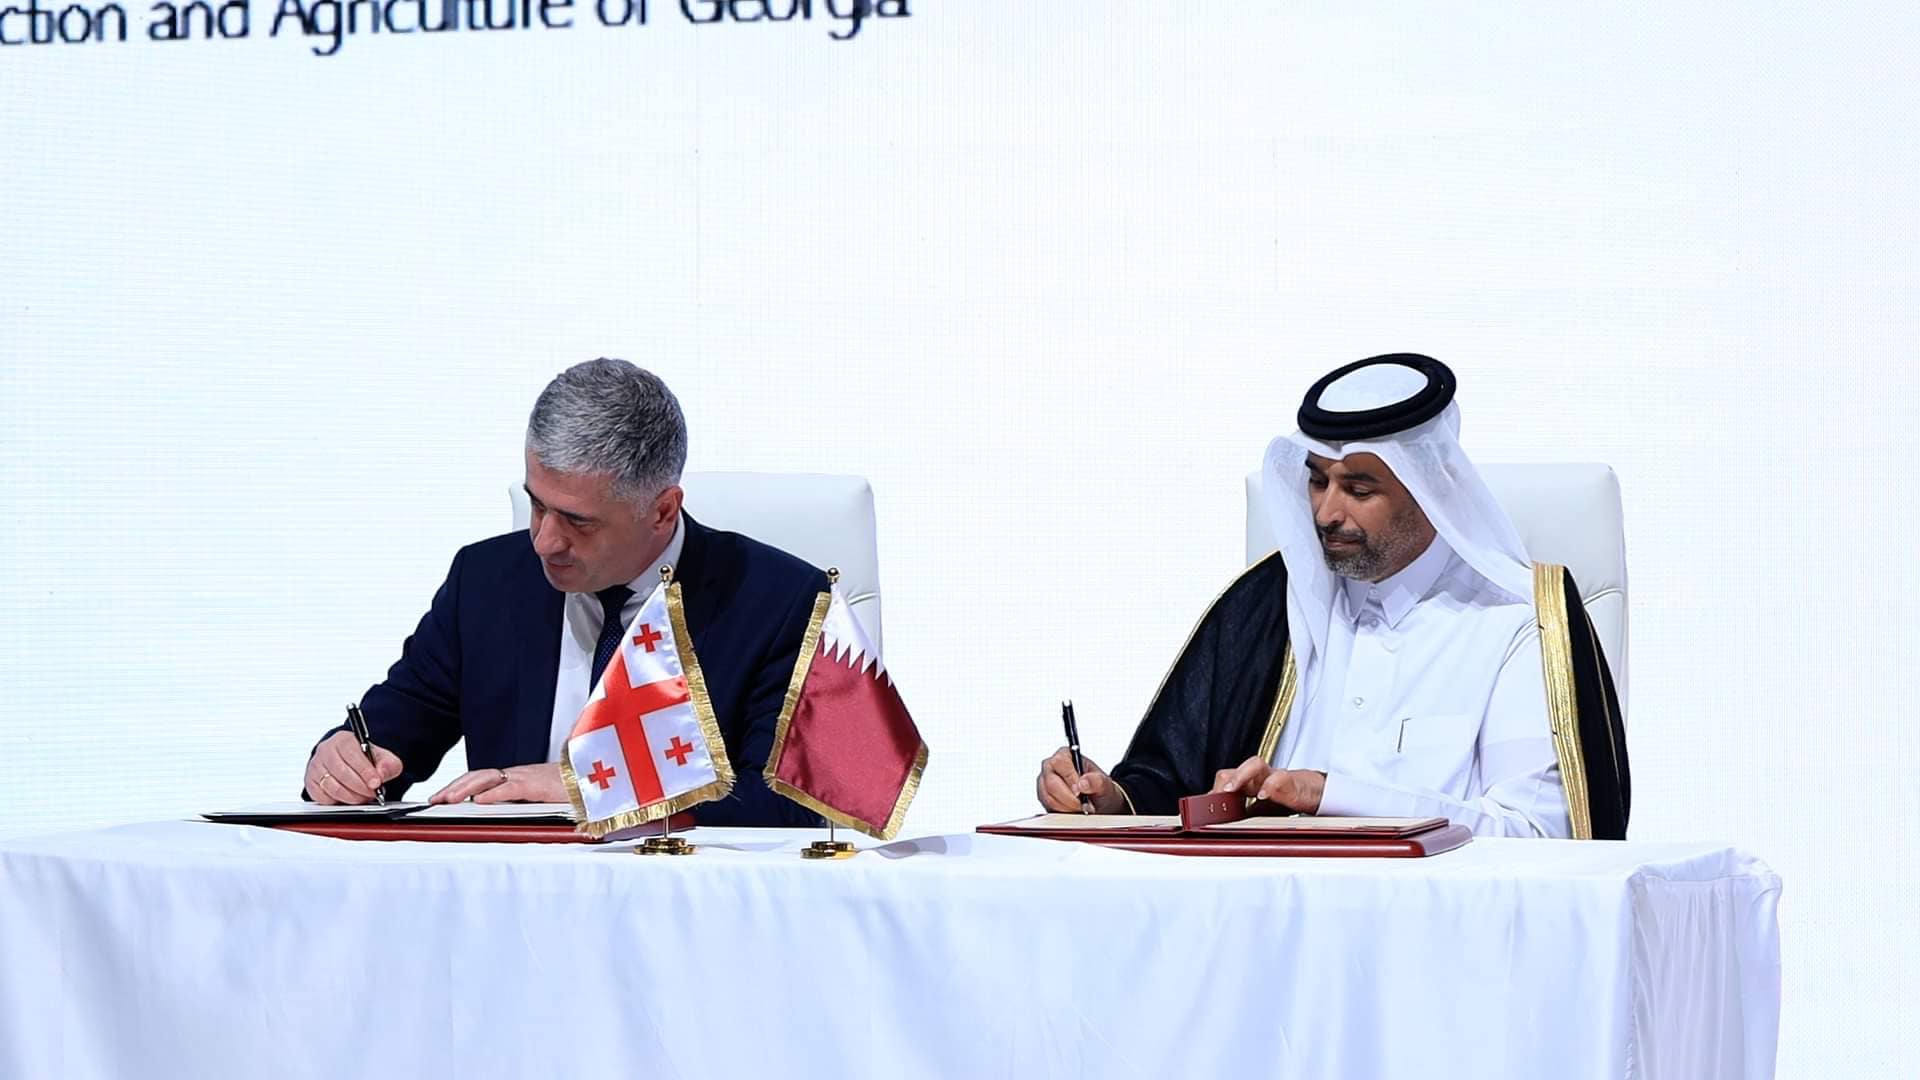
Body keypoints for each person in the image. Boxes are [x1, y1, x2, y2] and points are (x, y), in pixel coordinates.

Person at [1036, 353, 1630, 839]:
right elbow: (1169, 783)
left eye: (1359, 489)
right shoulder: (1265, 606)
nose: (1326, 512)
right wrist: (1108, 799)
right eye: (1318, 481)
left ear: (1434, 488)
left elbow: (1539, 836)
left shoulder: (1517, 619)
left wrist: (1329, 797)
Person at [306, 358, 826, 826]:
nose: (544, 542)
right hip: (512, 888)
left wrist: (601, 786)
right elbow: (391, 731)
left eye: (579, 522)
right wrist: (344, 764)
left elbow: (793, 801)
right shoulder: (484, 581)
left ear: (662, 511)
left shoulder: (781, 602)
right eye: (537, 506)